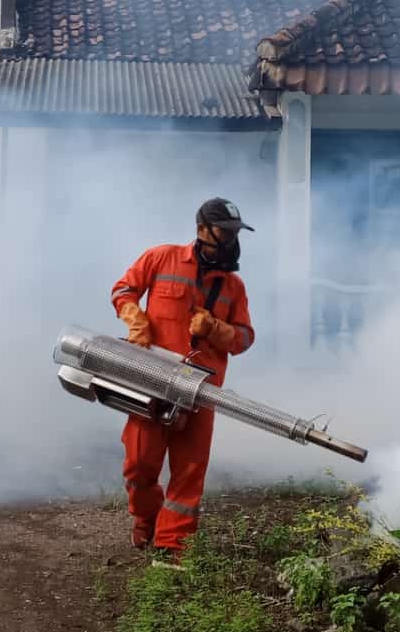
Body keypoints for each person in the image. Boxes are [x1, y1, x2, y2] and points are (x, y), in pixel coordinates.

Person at [110, 197, 255, 565]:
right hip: (151, 381)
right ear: (203, 229)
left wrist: (214, 328)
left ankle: (172, 548)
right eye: (225, 231)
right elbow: (123, 290)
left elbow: (244, 338)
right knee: (140, 464)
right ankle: (147, 517)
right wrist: (136, 320)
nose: (230, 239)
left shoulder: (233, 287)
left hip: (201, 390)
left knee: (189, 470)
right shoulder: (161, 258)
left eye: (234, 232)